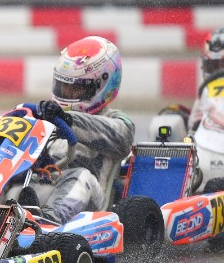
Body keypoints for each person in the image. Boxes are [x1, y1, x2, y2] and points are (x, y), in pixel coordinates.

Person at [8, 35, 135, 224]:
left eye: (75, 89)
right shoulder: (48, 116)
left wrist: (67, 119)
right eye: (63, 86)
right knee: (12, 178)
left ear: (102, 85)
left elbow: (121, 138)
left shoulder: (117, 122)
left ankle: (47, 225)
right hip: (45, 190)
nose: (67, 94)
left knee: (80, 177)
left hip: (92, 206)